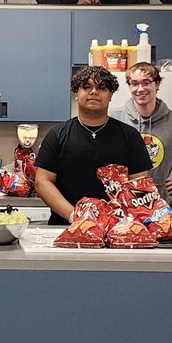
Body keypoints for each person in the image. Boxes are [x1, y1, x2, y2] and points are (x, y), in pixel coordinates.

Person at [34, 65, 151, 225]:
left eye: (101, 88)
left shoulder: (130, 136)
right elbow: (42, 182)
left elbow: (140, 186)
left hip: (117, 230)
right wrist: (75, 217)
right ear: (76, 93)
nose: (94, 92)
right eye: (86, 87)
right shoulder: (57, 135)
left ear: (111, 95)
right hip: (65, 227)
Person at [110, 62, 172, 206]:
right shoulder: (115, 119)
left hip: (161, 205)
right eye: (134, 84)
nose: (140, 89)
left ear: (157, 84)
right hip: (122, 205)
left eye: (146, 83)